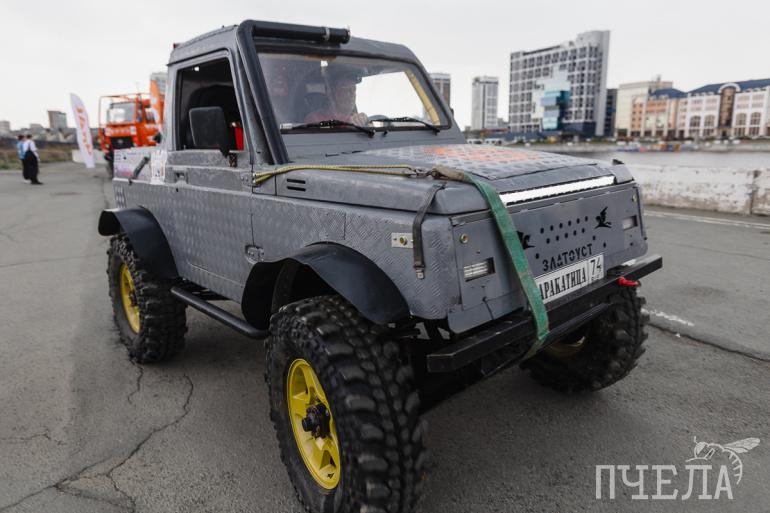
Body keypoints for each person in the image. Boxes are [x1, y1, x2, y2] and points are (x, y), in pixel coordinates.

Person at [304, 69, 368, 125]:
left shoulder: (358, 119)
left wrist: (364, 121)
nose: (351, 94)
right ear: (330, 93)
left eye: (353, 90)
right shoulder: (315, 119)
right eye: (345, 89)